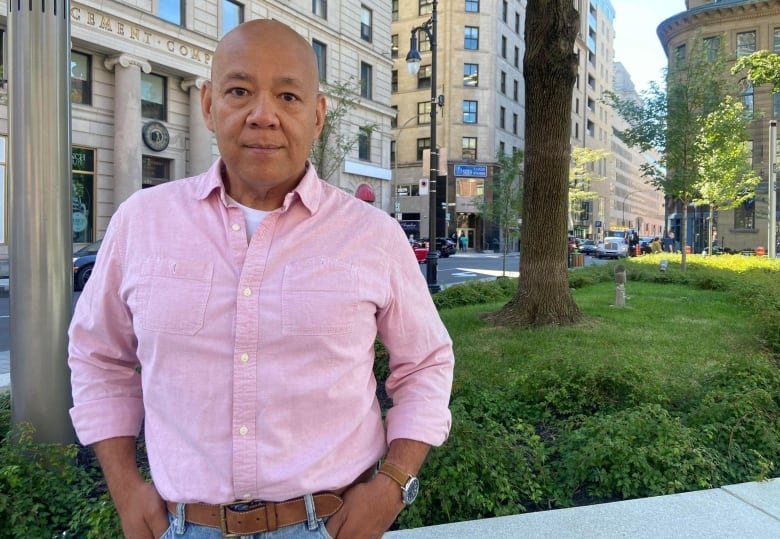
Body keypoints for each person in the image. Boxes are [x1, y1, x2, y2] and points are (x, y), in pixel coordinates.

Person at [68, 20, 454, 539]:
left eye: (288, 95)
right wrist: (123, 485)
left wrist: (393, 485)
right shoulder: (142, 221)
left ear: (317, 116)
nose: (263, 116)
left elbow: (426, 363)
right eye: (239, 91)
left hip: (331, 523)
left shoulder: (373, 237)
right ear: (208, 104)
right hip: (182, 526)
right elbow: (98, 355)